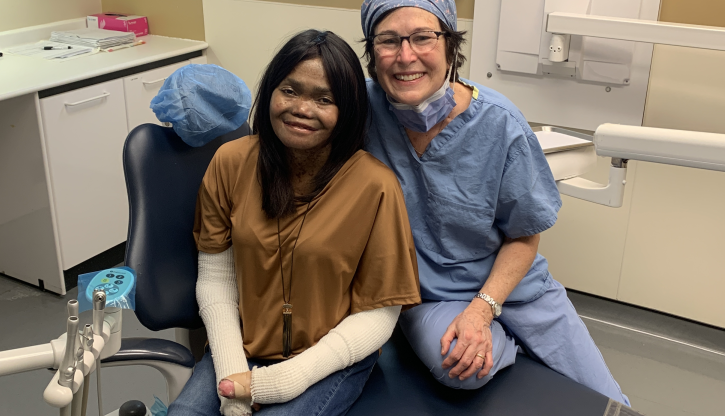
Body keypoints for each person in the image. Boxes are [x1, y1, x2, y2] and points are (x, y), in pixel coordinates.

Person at [360, 0, 630, 405]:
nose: (405, 56)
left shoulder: (500, 124)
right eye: (388, 41)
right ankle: (502, 349)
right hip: (434, 294)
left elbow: (525, 235)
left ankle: (505, 338)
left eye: (422, 38)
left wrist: (483, 311)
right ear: (371, 52)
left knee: (608, 401)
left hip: (517, 287)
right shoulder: (360, 110)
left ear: (450, 45)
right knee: (460, 364)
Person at [167, 29, 421, 416]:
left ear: (347, 110)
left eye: (324, 99)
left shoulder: (375, 186)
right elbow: (216, 279)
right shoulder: (231, 163)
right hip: (243, 349)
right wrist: (236, 379)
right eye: (290, 91)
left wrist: (282, 382)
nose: (302, 108)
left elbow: (380, 314)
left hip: (330, 360)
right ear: (270, 90)